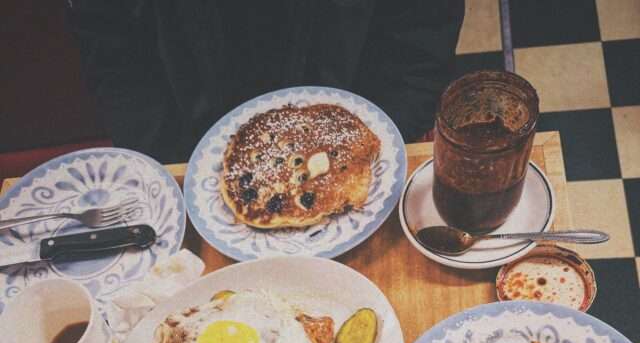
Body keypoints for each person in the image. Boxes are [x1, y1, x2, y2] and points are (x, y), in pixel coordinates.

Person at [65, 0, 465, 163]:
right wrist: (179, 170)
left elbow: (419, 42)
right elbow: (116, 57)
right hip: (188, 152)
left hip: (364, 144)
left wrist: (365, 152)